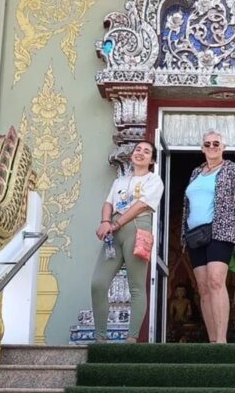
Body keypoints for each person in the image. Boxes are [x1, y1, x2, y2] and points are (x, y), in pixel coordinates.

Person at [182, 130, 235, 343]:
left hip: (221, 232)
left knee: (215, 281)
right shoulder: (195, 172)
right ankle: (212, 341)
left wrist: (234, 229)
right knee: (202, 287)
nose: (212, 146)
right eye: (207, 143)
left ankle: (222, 340)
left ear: (223, 147)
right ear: (202, 148)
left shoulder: (233, 169)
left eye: (216, 143)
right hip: (195, 235)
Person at [91, 141, 164, 343]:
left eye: (146, 151)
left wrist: (116, 224)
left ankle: (131, 338)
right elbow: (108, 203)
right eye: (138, 149)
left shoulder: (154, 180)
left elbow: (141, 205)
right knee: (98, 283)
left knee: (137, 286)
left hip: (138, 228)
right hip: (114, 230)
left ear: (152, 160)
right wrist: (105, 221)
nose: (140, 153)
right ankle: (100, 338)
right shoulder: (120, 181)